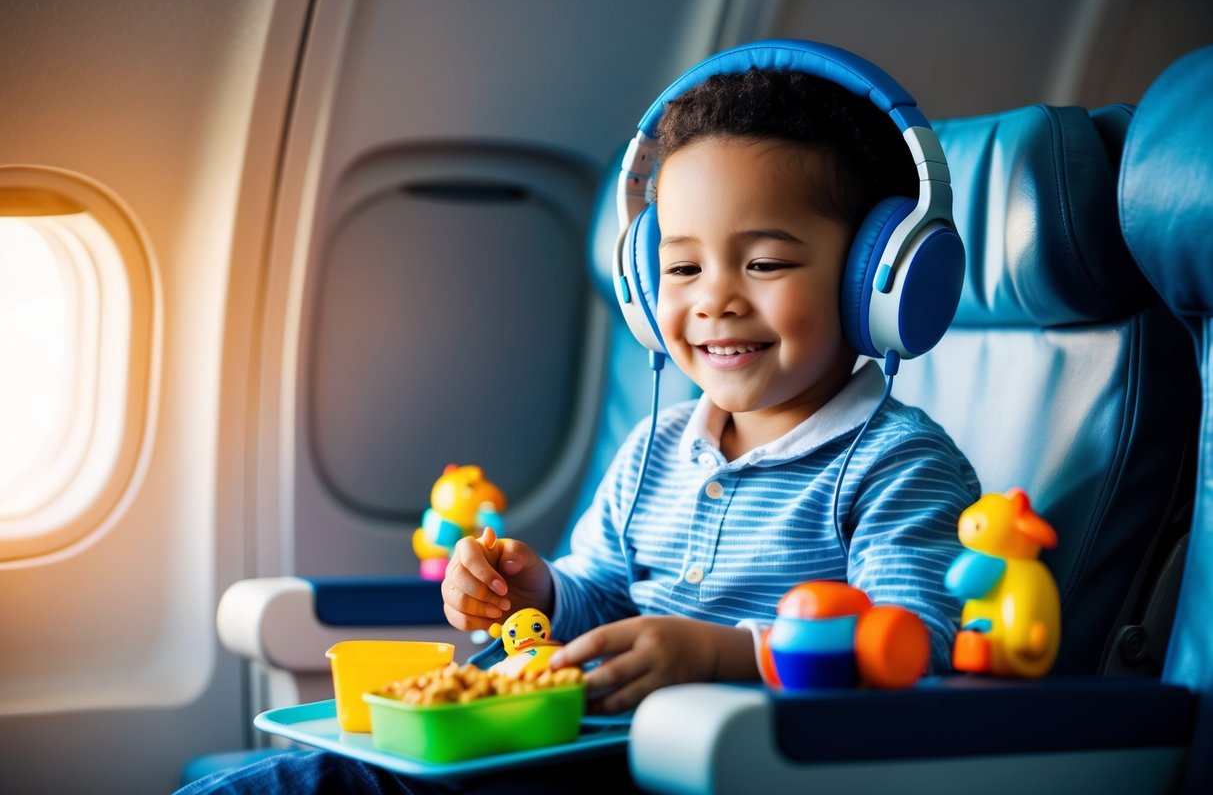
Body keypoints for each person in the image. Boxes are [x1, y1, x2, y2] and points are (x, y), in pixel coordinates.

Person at [175, 48, 980, 795]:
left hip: (740, 771)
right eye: (680, 266)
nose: (713, 299)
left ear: (876, 278)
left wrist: (719, 656)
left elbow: (914, 643)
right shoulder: (653, 453)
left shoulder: (898, 464)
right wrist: (544, 590)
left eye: (764, 263)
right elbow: (601, 597)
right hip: (583, 755)